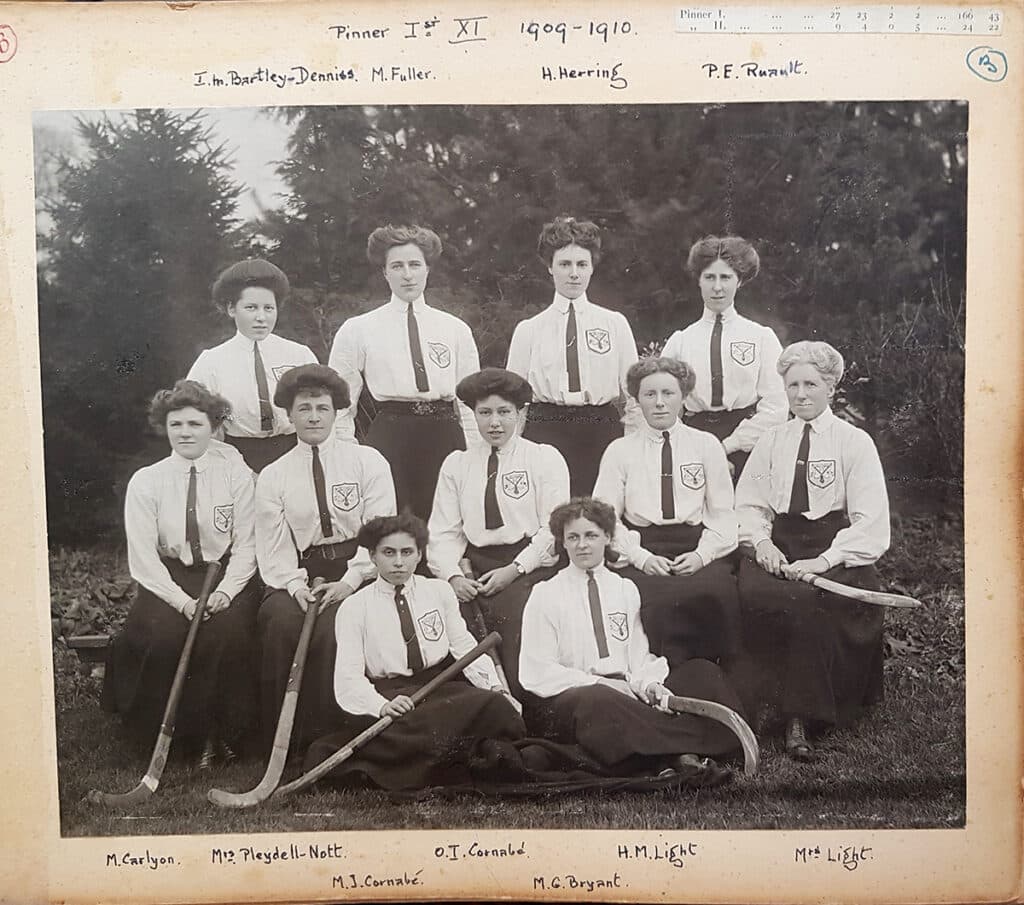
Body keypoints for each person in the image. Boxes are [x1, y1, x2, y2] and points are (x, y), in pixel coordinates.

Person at [734, 341, 890, 761]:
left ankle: (799, 718)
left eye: (811, 384)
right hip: (779, 545)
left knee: (813, 601)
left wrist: (823, 561)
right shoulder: (771, 440)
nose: (801, 394)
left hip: (833, 548)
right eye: (792, 385)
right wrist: (762, 544)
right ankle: (754, 703)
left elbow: (870, 522)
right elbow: (749, 503)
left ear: (831, 387)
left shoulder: (854, 442)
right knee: (757, 595)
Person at [519, 498, 745, 779]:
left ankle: (656, 753)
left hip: (627, 694)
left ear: (608, 538)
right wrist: (600, 682)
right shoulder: (545, 593)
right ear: (562, 543)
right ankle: (684, 753)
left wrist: (649, 684)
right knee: (600, 701)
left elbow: (638, 654)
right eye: (572, 537)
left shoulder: (625, 588)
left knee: (701, 673)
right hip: (576, 698)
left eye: (591, 535)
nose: (582, 545)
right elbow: (536, 670)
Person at [303, 513, 526, 790]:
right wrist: (381, 706)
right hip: (393, 699)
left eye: (407, 552)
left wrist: (495, 687)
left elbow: (465, 649)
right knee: (414, 729)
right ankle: (448, 754)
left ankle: (429, 757)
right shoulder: (354, 607)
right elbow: (348, 679)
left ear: (419, 554)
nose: (398, 562)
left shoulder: (440, 591)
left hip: (439, 689)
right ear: (372, 556)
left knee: (495, 707)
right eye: (388, 553)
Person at [102, 380, 260, 766]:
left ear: (213, 427)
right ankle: (164, 737)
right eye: (177, 425)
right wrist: (182, 602)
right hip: (169, 581)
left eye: (195, 424)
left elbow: (248, 544)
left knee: (226, 635)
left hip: (225, 577)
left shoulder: (237, 475)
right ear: (165, 427)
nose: (186, 433)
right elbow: (143, 559)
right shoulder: (147, 481)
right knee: (164, 635)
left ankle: (219, 734)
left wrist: (225, 593)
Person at [255, 364, 396, 754]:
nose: (313, 416)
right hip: (301, 571)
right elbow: (273, 544)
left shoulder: (368, 462)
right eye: (304, 408)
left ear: (337, 413)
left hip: (361, 566)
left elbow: (380, 531)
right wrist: (296, 586)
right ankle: (284, 743)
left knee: (338, 625)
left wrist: (350, 581)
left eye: (322, 407)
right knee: (280, 623)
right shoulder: (273, 474)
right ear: (290, 415)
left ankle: (332, 737)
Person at [427, 367, 570, 698]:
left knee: (518, 615)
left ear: (521, 414)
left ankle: (529, 704)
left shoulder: (544, 458)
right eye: (485, 413)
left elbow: (553, 528)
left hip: (528, 565)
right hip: (473, 569)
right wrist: (452, 577)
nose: (494, 423)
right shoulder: (457, 464)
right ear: (472, 414)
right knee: (450, 619)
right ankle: (484, 708)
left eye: (504, 412)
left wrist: (515, 569)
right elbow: (443, 531)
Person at [593, 357, 741, 667]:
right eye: (649, 395)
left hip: (697, 546)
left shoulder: (706, 445)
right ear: (637, 400)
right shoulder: (620, 451)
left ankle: (710, 680)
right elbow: (604, 517)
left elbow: (724, 513)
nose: (659, 403)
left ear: (684, 397)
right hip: (642, 547)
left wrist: (702, 555)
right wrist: (640, 558)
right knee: (652, 600)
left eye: (668, 393)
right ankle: (660, 686)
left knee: (714, 593)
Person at [328, 225, 481, 519]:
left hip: (443, 433)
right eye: (397, 266)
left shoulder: (455, 329)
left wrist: (474, 451)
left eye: (415, 265)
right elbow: (340, 403)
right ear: (384, 273)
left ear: (428, 269)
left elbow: (470, 402)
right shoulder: (358, 329)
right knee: (388, 521)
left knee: (445, 518)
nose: (407, 274)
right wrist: (349, 453)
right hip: (390, 435)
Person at [506, 216, 640, 497]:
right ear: (549, 268)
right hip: (546, 430)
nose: (574, 274)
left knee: (600, 515)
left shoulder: (614, 323)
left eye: (582, 264)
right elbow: (514, 402)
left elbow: (635, 396)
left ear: (592, 267)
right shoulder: (529, 330)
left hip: (600, 429)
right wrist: (512, 452)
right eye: (564, 264)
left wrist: (632, 445)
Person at [662, 236, 787, 478]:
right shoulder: (680, 341)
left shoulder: (761, 337)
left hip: (748, 445)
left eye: (725, 277)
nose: (717, 287)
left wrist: (728, 446)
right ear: (698, 280)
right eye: (709, 277)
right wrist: (692, 447)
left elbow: (776, 406)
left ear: (739, 281)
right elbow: (665, 402)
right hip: (693, 444)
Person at [187, 258, 319, 473]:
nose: (261, 317)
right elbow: (194, 420)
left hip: (294, 452)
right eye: (251, 308)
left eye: (269, 308)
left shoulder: (299, 355)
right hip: (236, 456)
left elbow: (322, 410)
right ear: (231, 309)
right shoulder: (211, 362)